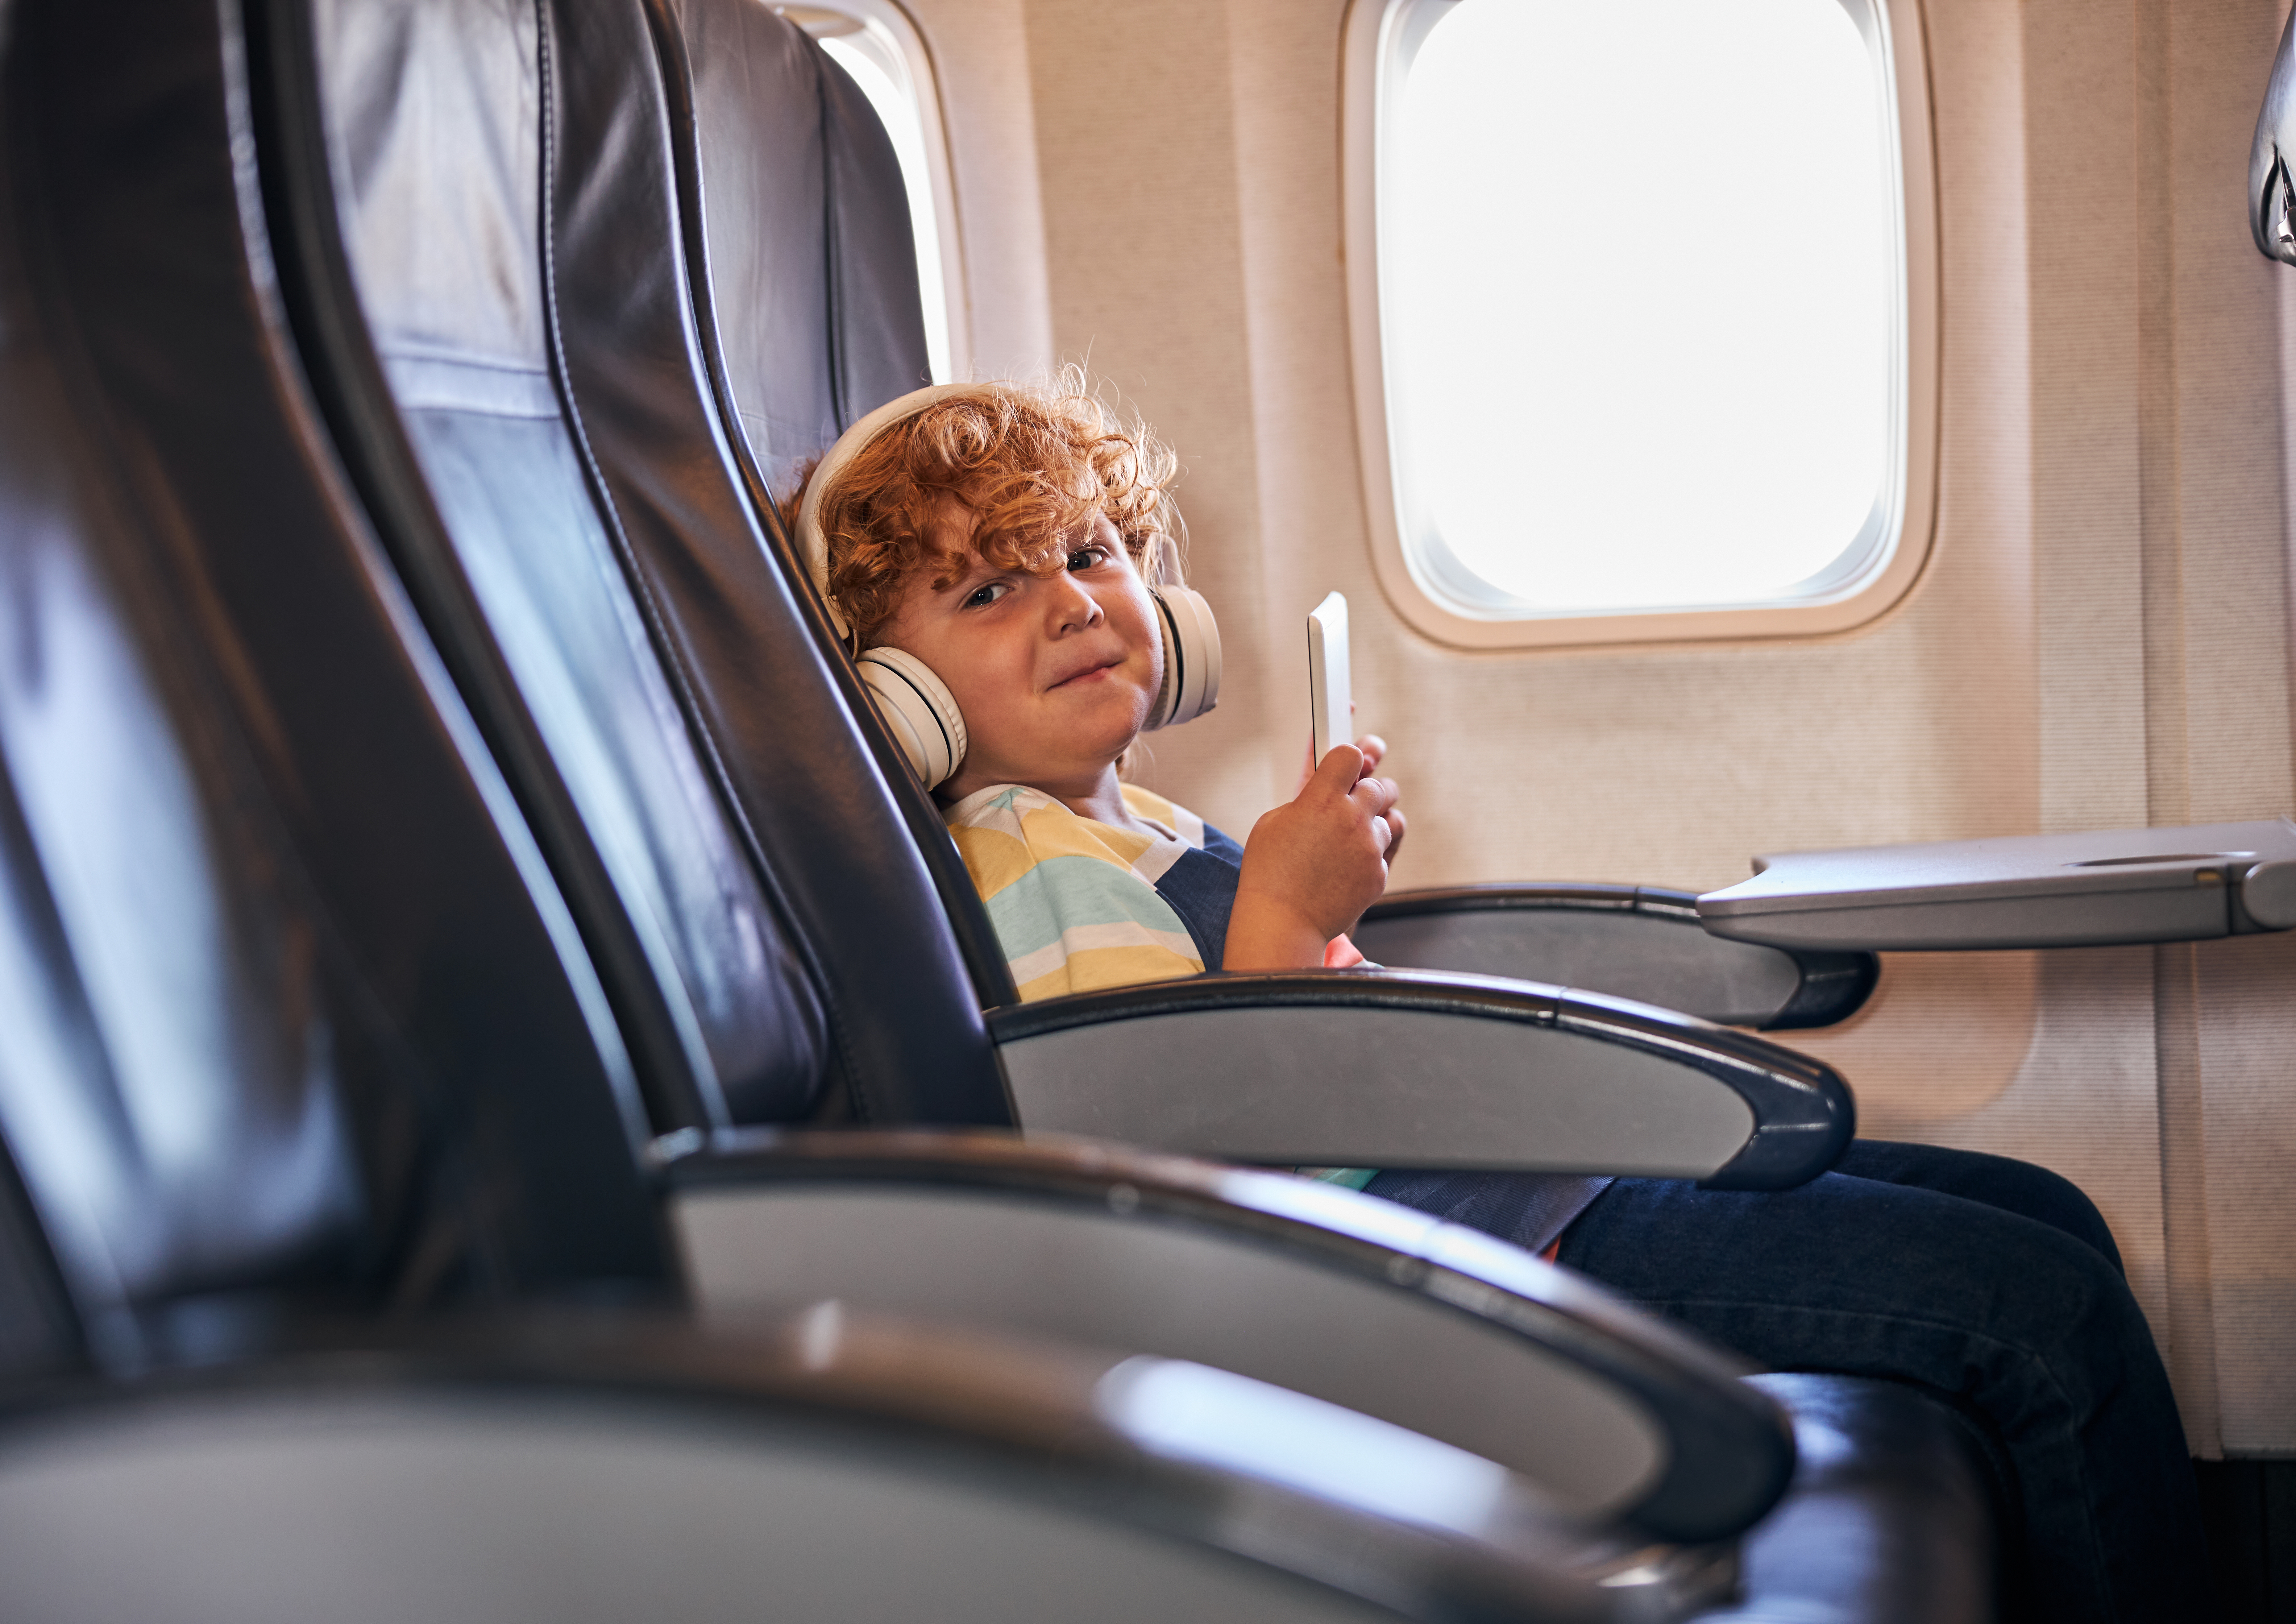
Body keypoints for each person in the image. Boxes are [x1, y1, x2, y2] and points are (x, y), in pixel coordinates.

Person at [783, 370, 2211, 1623]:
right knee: (2044, 1319)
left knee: (2049, 1216)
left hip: (1497, 1200)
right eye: (991, 587)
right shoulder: (1019, 859)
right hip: (1424, 1266)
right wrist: (1285, 909)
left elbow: (1294, 1038)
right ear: (897, 689)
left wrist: (1310, 909)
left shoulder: (1136, 835)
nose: (1075, 604)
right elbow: (1179, 1169)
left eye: (1090, 553)